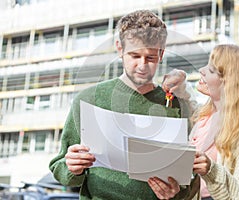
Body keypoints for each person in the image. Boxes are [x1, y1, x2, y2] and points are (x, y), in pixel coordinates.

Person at [49, 10, 195, 200]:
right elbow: (60, 167)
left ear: (161, 53)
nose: (142, 65)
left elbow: (188, 177)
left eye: (150, 57)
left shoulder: (176, 106)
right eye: (134, 56)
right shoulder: (89, 99)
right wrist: (71, 167)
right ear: (120, 49)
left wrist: (176, 192)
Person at [150, 44, 239, 200]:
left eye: (212, 70)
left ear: (232, 84)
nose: (201, 70)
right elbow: (190, 110)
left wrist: (212, 171)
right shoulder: (205, 119)